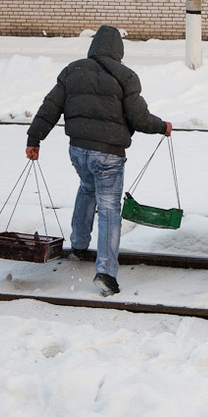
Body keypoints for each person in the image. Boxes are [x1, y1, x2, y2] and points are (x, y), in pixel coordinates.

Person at [25, 25, 172, 297]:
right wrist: (162, 126)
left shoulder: (73, 70)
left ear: (94, 47)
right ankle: (105, 273)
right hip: (109, 154)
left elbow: (50, 107)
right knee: (108, 209)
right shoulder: (126, 76)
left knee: (86, 189)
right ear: (119, 51)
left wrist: (34, 139)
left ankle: (79, 246)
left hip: (78, 150)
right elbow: (139, 119)